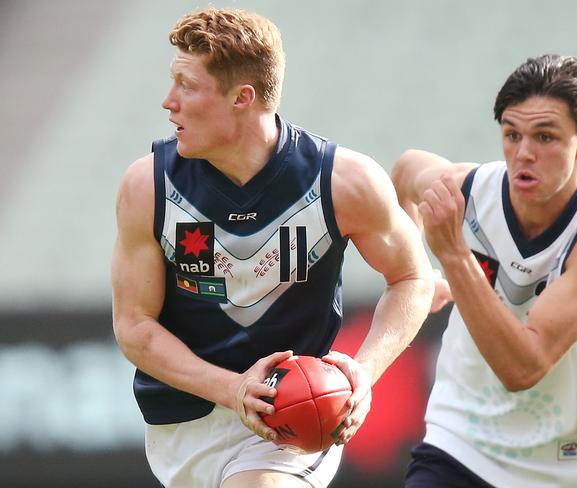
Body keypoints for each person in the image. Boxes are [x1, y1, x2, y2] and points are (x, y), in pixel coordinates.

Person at [111, 7, 445, 488]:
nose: (169, 102)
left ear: (241, 98)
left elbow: (411, 278)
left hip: (293, 419)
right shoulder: (146, 186)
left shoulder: (343, 182)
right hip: (182, 423)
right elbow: (134, 327)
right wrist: (233, 389)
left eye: (187, 85)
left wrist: (363, 375)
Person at [392, 54, 577, 488]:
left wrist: (451, 256)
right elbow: (406, 169)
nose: (524, 153)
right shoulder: (468, 189)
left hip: (576, 466)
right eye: (512, 134)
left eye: (545, 136)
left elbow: (523, 369)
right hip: (462, 445)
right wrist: (417, 272)